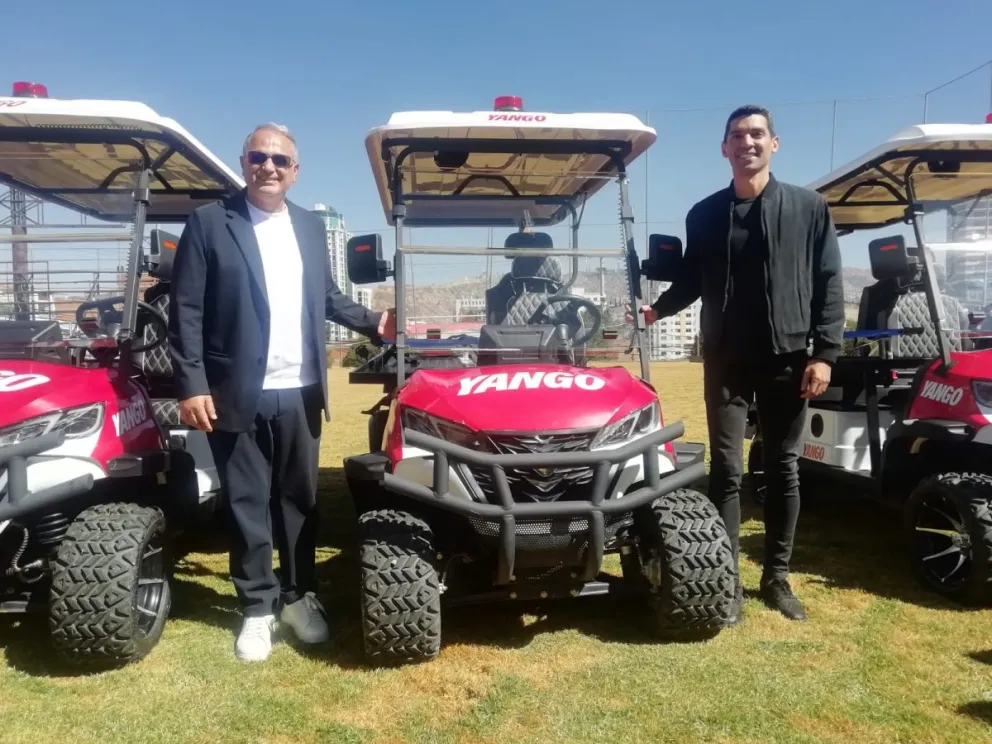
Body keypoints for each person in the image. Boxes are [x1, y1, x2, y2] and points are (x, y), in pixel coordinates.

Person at [168, 122, 396, 661]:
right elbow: (187, 313)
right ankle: (256, 608)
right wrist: (193, 384)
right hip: (234, 390)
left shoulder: (311, 228)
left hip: (300, 390)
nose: (268, 166)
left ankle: (297, 595)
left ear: (295, 171)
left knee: (299, 500)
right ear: (243, 162)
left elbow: (328, 297)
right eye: (258, 156)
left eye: (280, 160)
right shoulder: (208, 224)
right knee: (247, 502)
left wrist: (374, 323)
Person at [637, 104, 844, 623]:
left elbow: (829, 282)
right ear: (724, 148)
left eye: (757, 134)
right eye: (737, 135)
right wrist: (657, 309)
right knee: (727, 470)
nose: (747, 142)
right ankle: (726, 583)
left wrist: (825, 354)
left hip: (788, 358)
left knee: (782, 467)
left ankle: (776, 578)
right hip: (727, 360)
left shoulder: (808, 207)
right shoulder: (704, 214)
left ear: (774, 143)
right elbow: (691, 281)